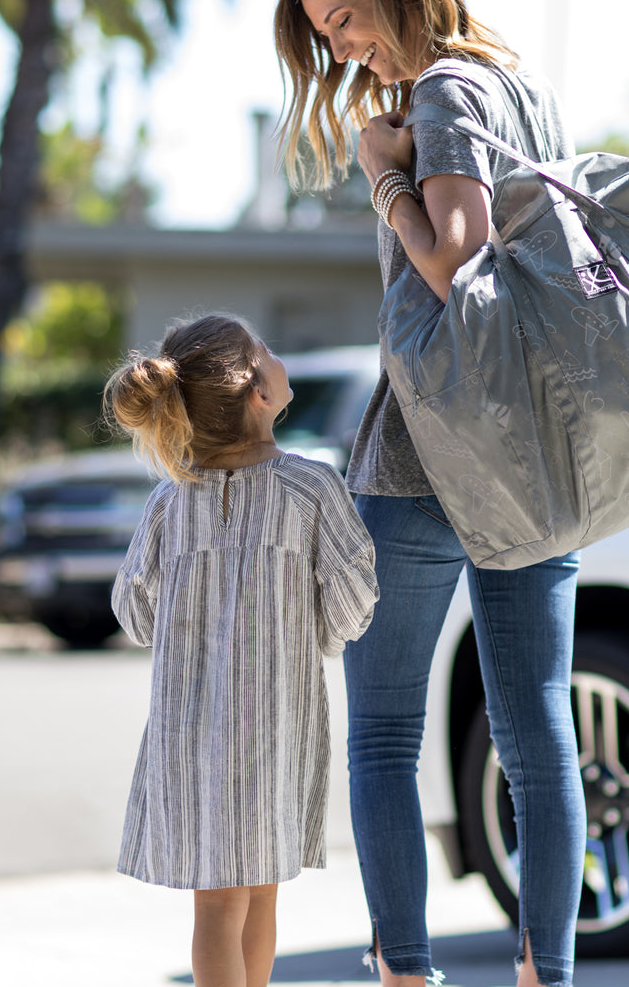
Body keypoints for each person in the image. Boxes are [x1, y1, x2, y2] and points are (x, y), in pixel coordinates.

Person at [273, 0, 586, 987]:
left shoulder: (447, 92)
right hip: (531, 456)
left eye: (349, 20)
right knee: (539, 738)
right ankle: (549, 972)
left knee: (384, 735)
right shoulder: (524, 90)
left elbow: (455, 267)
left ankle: (405, 975)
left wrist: (384, 174)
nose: (345, 50)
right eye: (327, 38)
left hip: (421, 456)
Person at [105, 314, 380, 987]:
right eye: (270, 353)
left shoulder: (170, 501)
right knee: (251, 891)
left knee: (230, 898)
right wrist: (312, 627)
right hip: (273, 726)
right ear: (258, 391)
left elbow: (134, 614)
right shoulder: (311, 487)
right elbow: (353, 605)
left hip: (189, 735)